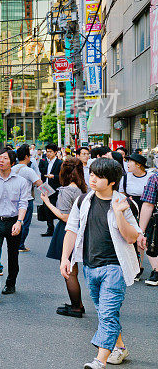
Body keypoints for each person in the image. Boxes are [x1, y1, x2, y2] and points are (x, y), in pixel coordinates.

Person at [61, 158, 143, 369]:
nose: (93, 179)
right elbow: (71, 229)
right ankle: (120, 348)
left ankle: (100, 361)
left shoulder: (124, 203)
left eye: (99, 176)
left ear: (112, 181)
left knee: (106, 314)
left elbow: (132, 237)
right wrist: (65, 259)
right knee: (106, 312)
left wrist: (118, 214)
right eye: (92, 174)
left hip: (115, 267)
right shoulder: (83, 200)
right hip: (90, 266)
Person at [0, 150, 30, 304]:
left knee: (12, 256)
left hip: (13, 221)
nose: (1, 161)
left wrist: (19, 222)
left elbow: (23, 203)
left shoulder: (21, 181)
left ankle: (11, 283)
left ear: (12, 162)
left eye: (5, 158)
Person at [42, 157, 88, 318]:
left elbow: (64, 216)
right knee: (72, 269)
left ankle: (76, 307)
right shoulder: (84, 190)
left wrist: (47, 202)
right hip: (81, 230)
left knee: (69, 271)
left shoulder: (66, 190)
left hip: (67, 230)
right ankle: (78, 304)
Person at [11, 145, 44, 252]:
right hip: (26, 200)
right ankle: (20, 245)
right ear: (26, 157)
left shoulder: (12, 169)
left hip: (13, 200)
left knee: (15, 222)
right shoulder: (28, 171)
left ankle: (14, 243)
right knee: (24, 223)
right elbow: (39, 183)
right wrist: (49, 193)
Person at [39, 144, 63, 237]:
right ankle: (50, 229)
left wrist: (54, 176)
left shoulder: (59, 163)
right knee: (46, 209)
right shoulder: (46, 162)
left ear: (55, 152)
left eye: (50, 152)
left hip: (56, 189)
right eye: (47, 152)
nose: (48, 154)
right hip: (46, 188)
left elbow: (62, 177)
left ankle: (59, 229)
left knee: (57, 209)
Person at [138, 171, 158, 285]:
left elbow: (148, 205)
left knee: (151, 244)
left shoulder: (155, 178)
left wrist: (141, 232)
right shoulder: (155, 178)